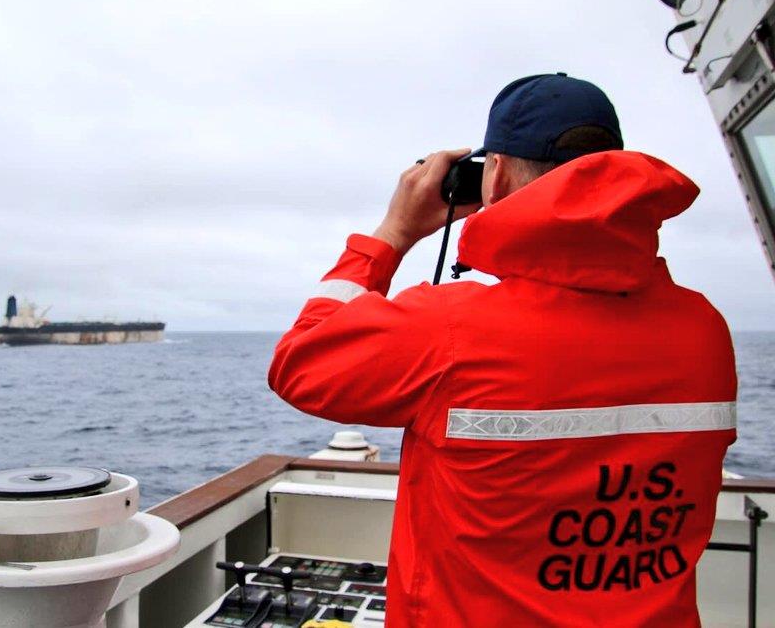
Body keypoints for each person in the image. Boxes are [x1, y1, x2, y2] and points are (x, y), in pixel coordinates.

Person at [268, 73, 737, 627]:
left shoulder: (449, 330)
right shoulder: (705, 330)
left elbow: (300, 362)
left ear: (496, 175)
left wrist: (393, 233)